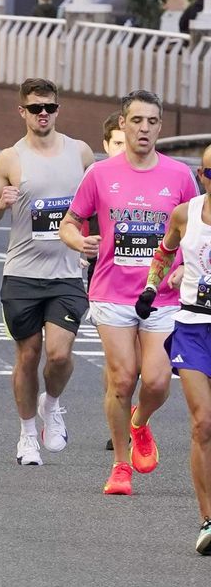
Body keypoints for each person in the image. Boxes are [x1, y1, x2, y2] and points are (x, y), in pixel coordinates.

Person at [60, 89, 199, 495]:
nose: (144, 128)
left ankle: (139, 422)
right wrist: (76, 241)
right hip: (111, 294)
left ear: (159, 126)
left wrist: (186, 267)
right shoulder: (101, 174)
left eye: (152, 122)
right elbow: (71, 221)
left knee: (156, 382)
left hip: (163, 296)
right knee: (122, 379)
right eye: (136, 120)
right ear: (122, 124)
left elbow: (199, 231)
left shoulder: (178, 176)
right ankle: (121, 464)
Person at [0, 79, 93, 466]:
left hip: (66, 272)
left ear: (58, 109)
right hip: (22, 273)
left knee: (59, 356)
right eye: (35, 107)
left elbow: (99, 201)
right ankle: (27, 434)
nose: (43, 113)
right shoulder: (11, 158)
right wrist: (1, 202)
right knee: (28, 356)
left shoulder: (80, 152)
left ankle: (52, 403)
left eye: (50, 107)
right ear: (22, 112)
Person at [136, 144, 211, 552]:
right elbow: (164, 251)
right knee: (203, 423)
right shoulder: (186, 214)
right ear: (202, 176)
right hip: (194, 325)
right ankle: (208, 520)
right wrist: (151, 286)